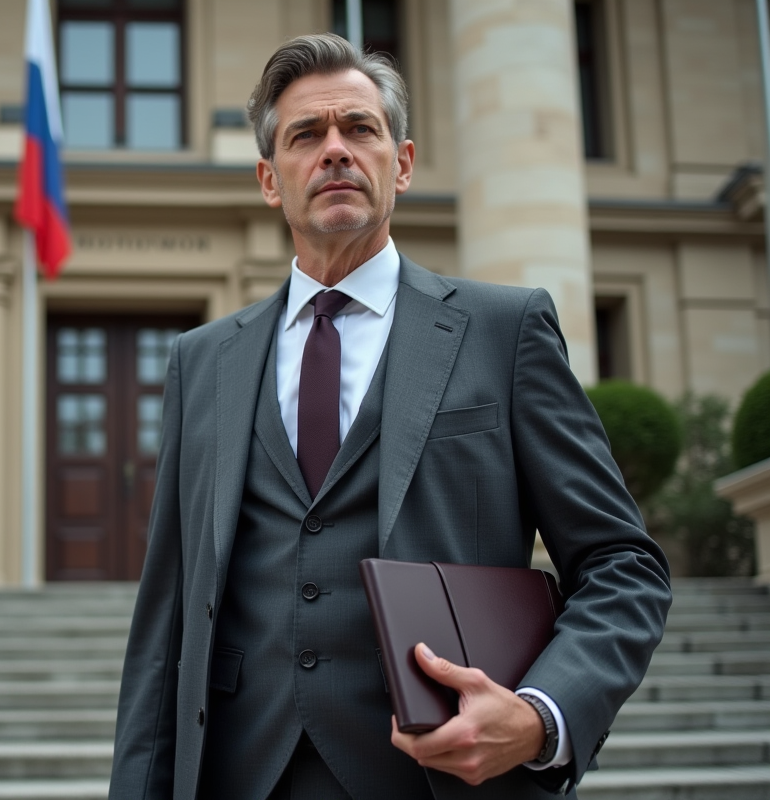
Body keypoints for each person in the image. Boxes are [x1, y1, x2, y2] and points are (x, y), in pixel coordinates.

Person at [109, 33, 671, 800]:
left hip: (440, 779)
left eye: (360, 129)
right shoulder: (201, 362)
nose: (335, 150)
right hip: (240, 773)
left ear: (400, 164)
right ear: (271, 180)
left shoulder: (504, 331)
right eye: (307, 135)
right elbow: (165, 626)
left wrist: (541, 717)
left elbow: (622, 565)